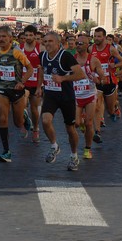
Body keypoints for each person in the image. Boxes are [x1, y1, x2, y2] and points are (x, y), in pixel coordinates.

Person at [36, 32, 86, 171]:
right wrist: (39, 87)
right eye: (45, 41)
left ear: (58, 43)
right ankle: (54, 146)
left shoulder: (66, 56)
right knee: (45, 120)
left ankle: (74, 155)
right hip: (51, 95)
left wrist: (62, 79)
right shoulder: (43, 56)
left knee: (70, 129)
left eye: (50, 41)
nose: (47, 44)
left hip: (66, 97)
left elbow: (81, 74)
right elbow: (42, 71)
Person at [0, 25, 33, 163]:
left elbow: (30, 69)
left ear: (10, 38)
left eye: (4, 37)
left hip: (16, 90)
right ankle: (6, 151)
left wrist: (22, 82)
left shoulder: (17, 53)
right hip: (2, 89)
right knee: (2, 118)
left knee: (18, 123)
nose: (1, 39)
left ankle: (24, 116)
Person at [73, 33, 105, 160]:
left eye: (81, 43)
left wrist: (98, 79)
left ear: (87, 45)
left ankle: (87, 149)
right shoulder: (72, 59)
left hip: (90, 95)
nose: (78, 45)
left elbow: (102, 77)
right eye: (77, 43)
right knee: (76, 123)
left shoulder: (93, 60)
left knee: (89, 123)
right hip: (76, 95)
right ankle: (82, 126)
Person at [20, 25, 43, 143]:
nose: (28, 37)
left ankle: (36, 128)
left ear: (34, 36)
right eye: (26, 35)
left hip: (36, 82)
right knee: (22, 104)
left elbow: (43, 69)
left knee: (34, 109)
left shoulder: (40, 48)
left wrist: (40, 86)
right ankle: (24, 125)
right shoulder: (20, 48)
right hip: (23, 82)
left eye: (30, 35)